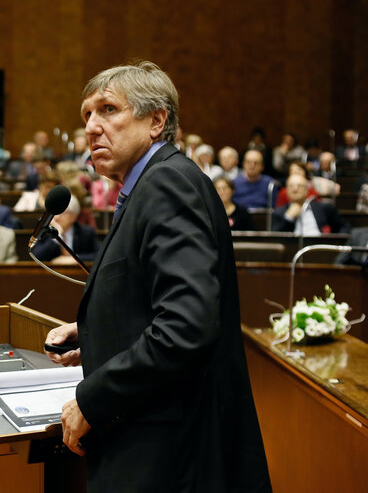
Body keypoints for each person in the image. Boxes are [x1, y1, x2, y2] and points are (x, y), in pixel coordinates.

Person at [44, 62, 270, 492]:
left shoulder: (167, 185)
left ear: (156, 120)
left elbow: (185, 327)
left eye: (108, 109)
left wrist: (92, 400)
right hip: (163, 440)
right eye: (86, 115)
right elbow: (154, 299)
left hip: (169, 453)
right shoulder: (149, 184)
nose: (92, 127)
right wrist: (92, 333)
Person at [272, 173, 350, 235]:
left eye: (299, 186)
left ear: (307, 190)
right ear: (287, 191)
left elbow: (344, 227)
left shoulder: (323, 207)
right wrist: (288, 218)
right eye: (291, 186)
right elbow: (275, 238)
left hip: (321, 248)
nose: (295, 189)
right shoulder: (279, 213)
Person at [31, 195, 100, 264]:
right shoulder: (45, 232)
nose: (57, 217)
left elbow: (99, 256)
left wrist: (73, 259)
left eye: (61, 212)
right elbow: (37, 257)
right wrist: (58, 235)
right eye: (55, 212)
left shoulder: (86, 232)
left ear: (74, 216)